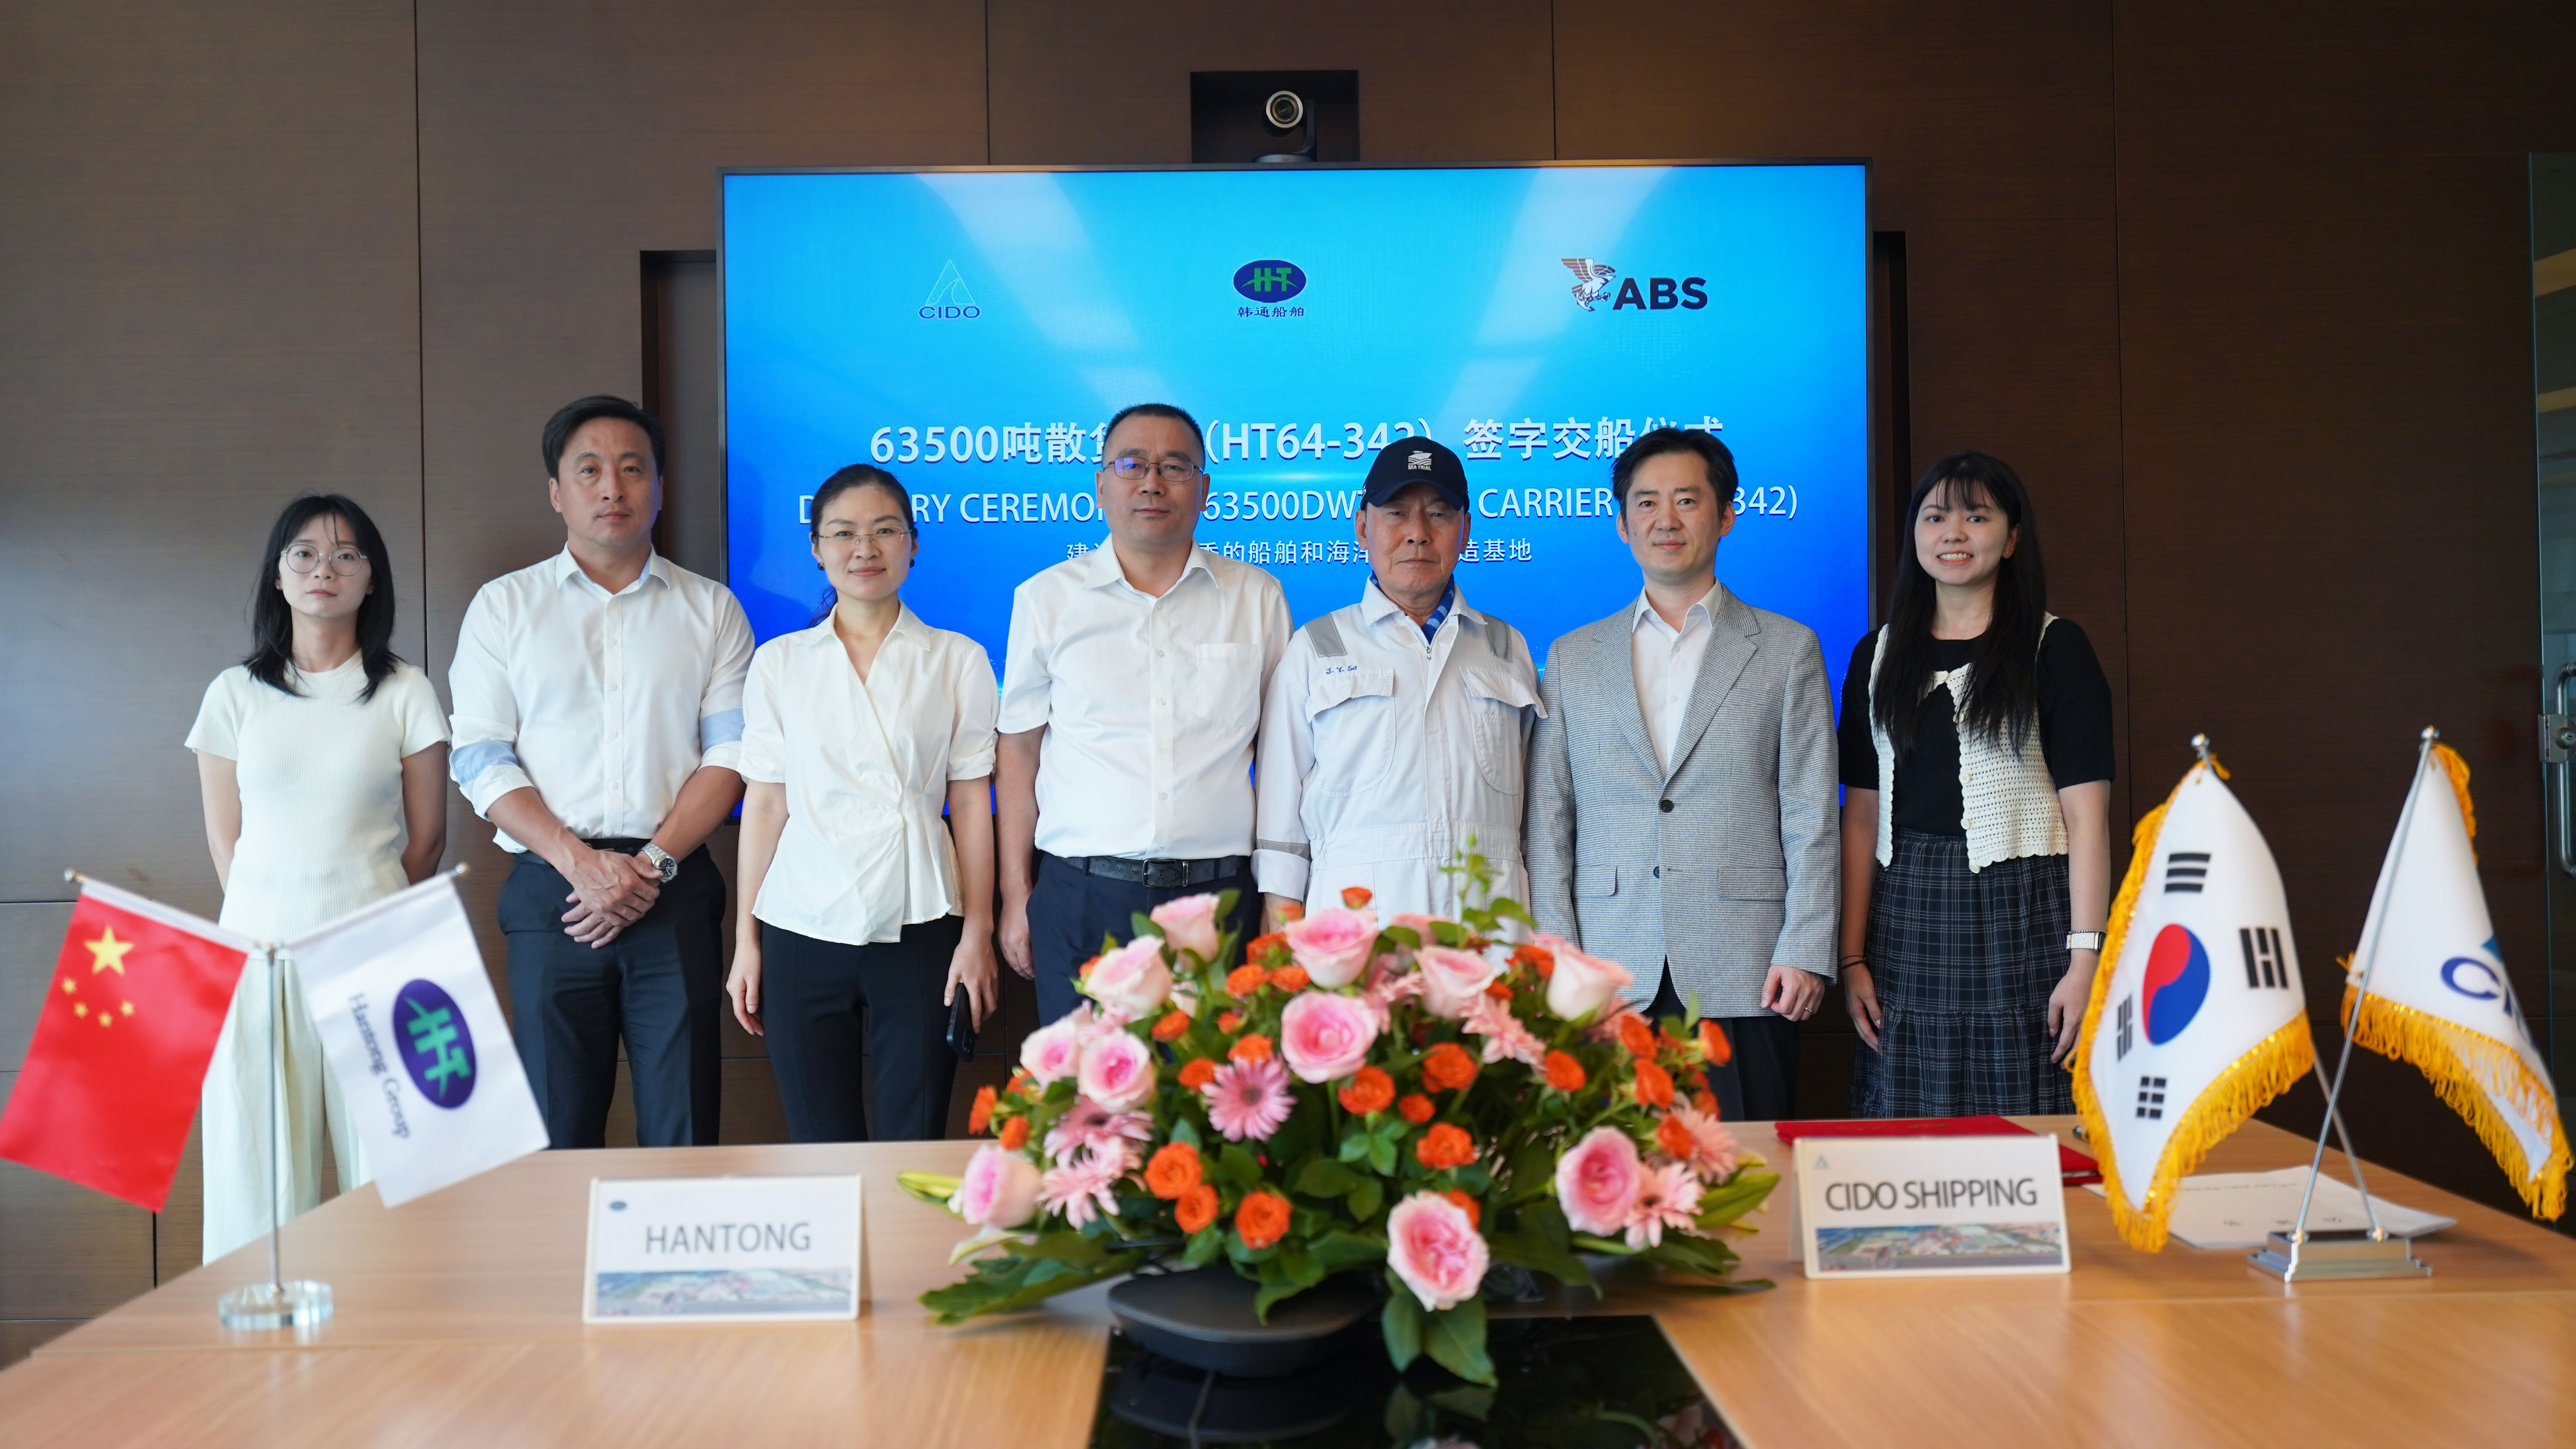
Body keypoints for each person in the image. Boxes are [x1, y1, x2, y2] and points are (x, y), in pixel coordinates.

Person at [448, 395, 752, 1149]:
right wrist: (580, 864)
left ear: (660, 487)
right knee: (557, 1135)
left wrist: (647, 869)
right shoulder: (504, 607)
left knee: (683, 1135)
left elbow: (733, 755)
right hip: (552, 891)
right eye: (589, 471)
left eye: (632, 469)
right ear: (557, 492)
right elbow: (480, 755)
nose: (612, 487)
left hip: (672, 888)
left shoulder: (712, 609)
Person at [1526, 427, 1838, 1122]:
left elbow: (1812, 811)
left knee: (1746, 1169)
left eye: (1687, 500)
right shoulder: (1573, 657)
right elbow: (1549, 821)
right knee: (1615, 1170)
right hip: (1611, 972)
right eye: (1647, 503)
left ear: (1726, 515)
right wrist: (1561, 961)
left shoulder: (1787, 649)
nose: (1666, 519)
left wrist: (1805, 948)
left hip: (1747, 969)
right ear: (1622, 524)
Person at [188, 494, 449, 1261]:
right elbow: (227, 845)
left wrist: (360, 910)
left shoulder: (405, 690)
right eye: (303, 553)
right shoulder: (233, 694)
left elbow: (428, 840)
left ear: (372, 578)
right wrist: (279, 916)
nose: (323, 569)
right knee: (256, 1181)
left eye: (345, 554)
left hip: (377, 952)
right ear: (278, 575)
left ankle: (399, 1324)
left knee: (394, 1175)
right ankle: (262, 1329)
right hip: (259, 959)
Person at [723, 466, 998, 1142]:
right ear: (816, 548)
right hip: (802, 921)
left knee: (916, 1137)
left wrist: (978, 932)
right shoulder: (781, 663)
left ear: (913, 543)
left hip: (923, 920)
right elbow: (766, 805)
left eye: (885, 531)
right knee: (819, 1143)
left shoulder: (956, 659)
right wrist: (746, 941)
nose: (865, 549)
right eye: (844, 533)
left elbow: (970, 803)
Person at [996, 403, 1290, 1024]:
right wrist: (1016, 895)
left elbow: (1280, 755)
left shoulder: (1256, 598)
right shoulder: (1046, 600)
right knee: (1086, 1085)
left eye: (1174, 466)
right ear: (1101, 484)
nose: (1152, 482)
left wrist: (1277, 896)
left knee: (1211, 1084)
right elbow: (1018, 753)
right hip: (1080, 899)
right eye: (1132, 464)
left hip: (1218, 902)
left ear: (1204, 490)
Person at [1838, 452, 2112, 1117]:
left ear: (2012, 538)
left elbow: (2087, 821)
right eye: (1935, 518)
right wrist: (1850, 957)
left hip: (2025, 908)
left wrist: (2086, 961)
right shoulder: (1877, 655)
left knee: (2026, 1114)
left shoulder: (2055, 648)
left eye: (1977, 517)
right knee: (1910, 1118)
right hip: (1906, 913)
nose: (1953, 533)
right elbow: (1862, 818)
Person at [1255, 437, 1542, 925]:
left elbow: (1538, 813)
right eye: (1396, 514)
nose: (1418, 534)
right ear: (1362, 528)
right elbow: (1281, 830)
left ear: (1466, 531)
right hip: (1359, 930)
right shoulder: (1319, 647)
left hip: (1490, 925)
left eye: (1439, 514)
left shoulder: (1505, 646)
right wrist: (1285, 941)